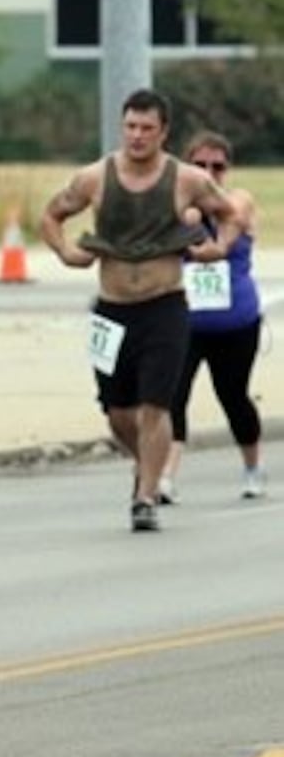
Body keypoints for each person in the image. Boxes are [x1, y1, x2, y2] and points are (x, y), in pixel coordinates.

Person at [40, 89, 238, 532]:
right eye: (131, 126)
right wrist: (66, 252)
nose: (138, 136)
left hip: (164, 306)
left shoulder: (186, 179)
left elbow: (228, 215)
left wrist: (217, 247)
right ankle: (144, 464)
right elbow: (51, 215)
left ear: (164, 132)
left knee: (155, 406)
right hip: (111, 310)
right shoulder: (95, 177)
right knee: (118, 413)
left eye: (147, 128)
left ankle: (146, 496)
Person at [163, 131, 265, 503]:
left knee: (233, 396)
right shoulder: (178, 205)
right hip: (186, 321)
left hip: (235, 321)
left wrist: (199, 208)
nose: (208, 172)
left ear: (228, 170)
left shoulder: (239, 200)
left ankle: (252, 466)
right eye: (199, 165)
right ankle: (167, 477)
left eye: (217, 166)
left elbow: (233, 214)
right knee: (174, 396)